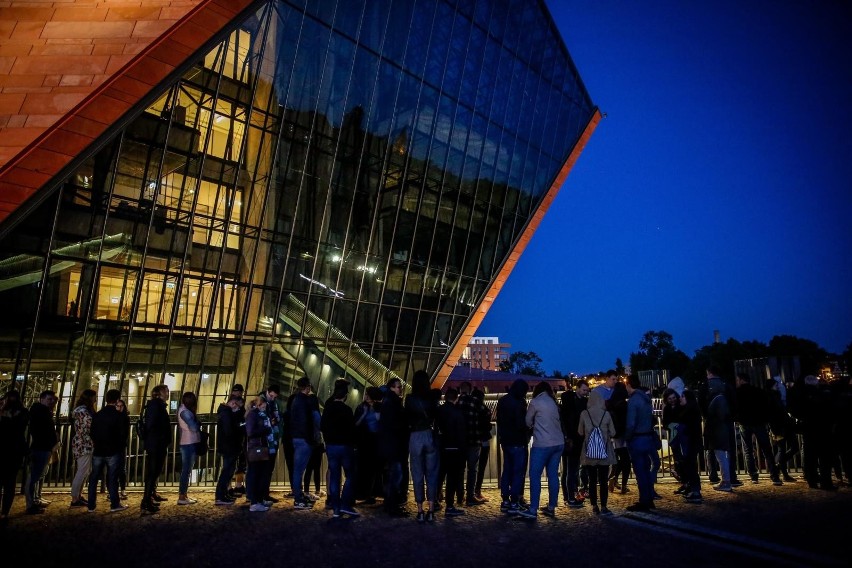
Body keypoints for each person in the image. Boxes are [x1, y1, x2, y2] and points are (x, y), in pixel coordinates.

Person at [518, 382, 563, 520]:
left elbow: (527, 421)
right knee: (553, 475)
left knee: (535, 476)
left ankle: (532, 510)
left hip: (542, 443)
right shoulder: (553, 402)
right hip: (559, 443)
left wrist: (533, 424)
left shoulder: (536, 402)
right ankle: (551, 507)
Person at [734, 372, 782, 485]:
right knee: (766, 449)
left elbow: (734, 408)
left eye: (737, 380)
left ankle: (753, 475)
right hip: (759, 423)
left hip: (744, 423)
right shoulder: (759, 391)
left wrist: (738, 419)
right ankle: (774, 476)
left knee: (748, 450)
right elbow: (766, 407)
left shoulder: (737, 393)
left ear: (741, 380)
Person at [321, 379, 360, 518]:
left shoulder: (328, 408)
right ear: (345, 396)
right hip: (345, 446)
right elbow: (352, 430)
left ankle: (336, 508)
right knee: (350, 475)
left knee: (334, 476)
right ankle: (345, 504)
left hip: (331, 446)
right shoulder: (347, 410)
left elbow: (322, 427)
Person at [405, 370, 439, 522]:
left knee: (417, 473)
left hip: (415, 436)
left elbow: (407, 418)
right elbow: (436, 416)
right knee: (432, 474)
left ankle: (419, 510)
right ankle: (431, 510)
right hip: (429, 434)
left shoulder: (410, 398)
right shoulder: (432, 397)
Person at [87, 388, 129, 512]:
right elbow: (122, 434)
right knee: (112, 478)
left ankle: (91, 505)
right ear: (117, 400)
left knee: (94, 478)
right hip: (113, 450)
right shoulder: (118, 415)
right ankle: (114, 504)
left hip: (98, 450)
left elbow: (92, 432)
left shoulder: (98, 414)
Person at [579, 390, 616, 515]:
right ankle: (604, 506)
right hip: (604, 451)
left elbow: (580, 432)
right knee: (603, 480)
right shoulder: (606, 414)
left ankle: (594, 505)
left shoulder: (584, 414)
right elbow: (613, 432)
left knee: (592, 480)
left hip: (590, 452)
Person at [624, 375, 657, 511]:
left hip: (637, 439)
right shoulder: (646, 398)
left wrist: (627, 437)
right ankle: (649, 498)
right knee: (646, 469)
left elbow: (631, 424)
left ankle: (644, 501)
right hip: (648, 438)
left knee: (640, 472)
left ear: (629, 384)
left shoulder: (633, 401)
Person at [496, 378, 530, 514]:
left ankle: (505, 500)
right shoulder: (519, 403)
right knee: (517, 472)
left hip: (505, 440)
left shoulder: (502, 401)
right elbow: (521, 424)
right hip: (518, 441)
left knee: (507, 470)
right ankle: (515, 500)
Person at [378, 377, 410, 516]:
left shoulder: (388, 402)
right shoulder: (393, 403)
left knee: (393, 475)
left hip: (390, 444)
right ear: (391, 388)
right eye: (398, 387)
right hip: (395, 445)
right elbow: (397, 425)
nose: (400, 389)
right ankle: (392, 505)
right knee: (395, 475)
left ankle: (390, 504)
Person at [289, 377, 321, 509]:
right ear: (307, 387)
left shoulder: (296, 400)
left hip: (296, 437)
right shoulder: (308, 401)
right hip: (305, 438)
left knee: (298, 470)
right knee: (299, 470)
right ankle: (298, 499)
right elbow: (316, 420)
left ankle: (299, 496)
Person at [25, 390, 59, 515]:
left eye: (53, 399)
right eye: (49, 399)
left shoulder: (39, 411)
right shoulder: (42, 412)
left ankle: (35, 499)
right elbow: (46, 430)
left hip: (43, 446)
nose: (51, 402)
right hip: (42, 447)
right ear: (42, 399)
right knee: (35, 476)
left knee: (39, 474)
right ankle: (31, 503)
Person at [457, 381, 489, 505]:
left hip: (460, 441)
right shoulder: (474, 401)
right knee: (472, 469)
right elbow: (487, 412)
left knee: (460, 470)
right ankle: (470, 496)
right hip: (474, 439)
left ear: (460, 390)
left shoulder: (456, 402)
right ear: (470, 390)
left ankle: (460, 496)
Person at [436, 387, 466, 517]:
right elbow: (461, 433)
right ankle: (449, 505)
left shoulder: (439, 411)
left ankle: (435, 500)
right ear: (456, 398)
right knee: (452, 479)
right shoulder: (457, 412)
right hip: (455, 449)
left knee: (439, 476)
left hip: (441, 448)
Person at [141, 384, 171, 514]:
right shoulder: (156, 406)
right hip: (156, 444)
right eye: (166, 391)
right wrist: (161, 437)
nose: (168, 393)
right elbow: (152, 425)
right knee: (153, 472)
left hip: (157, 443)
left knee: (154, 472)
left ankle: (149, 498)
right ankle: (146, 501)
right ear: (158, 393)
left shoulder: (157, 405)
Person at [0, 390, 29, 518]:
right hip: (16, 450)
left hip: (2, 449)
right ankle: (5, 512)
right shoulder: (23, 413)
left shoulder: (2, 413)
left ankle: (4, 512)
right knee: (10, 482)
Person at [560, 380, 589, 508]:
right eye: (584, 390)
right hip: (575, 440)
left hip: (568, 439)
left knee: (568, 470)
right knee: (572, 469)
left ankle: (568, 496)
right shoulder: (578, 403)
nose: (585, 392)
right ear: (577, 388)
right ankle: (571, 496)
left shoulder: (567, 401)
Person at [704, 375, 735, 493]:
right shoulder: (721, 398)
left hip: (717, 431)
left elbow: (719, 415)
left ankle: (726, 481)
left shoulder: (718, 399)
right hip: (720, 430)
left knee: (721, 457)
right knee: (722, 457)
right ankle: (726, 480)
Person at [766, 377, 798, 483]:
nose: (778, 387)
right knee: (785, 449)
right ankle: (782, 471)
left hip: (781, 427)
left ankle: (779, 468)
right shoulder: (773, 397)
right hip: (780, 427)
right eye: (776, 385)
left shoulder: (775, 396)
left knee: (785, 449)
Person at [244, 396, 273, 512]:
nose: (264, 408)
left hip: (260, 446)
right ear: (258, 405)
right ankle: (255, 501)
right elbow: (250, 432)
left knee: (260, 474)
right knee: (256, 474)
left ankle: (259, 500)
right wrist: (265, 430)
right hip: (256, 447)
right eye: (263, 406)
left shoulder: (257, 415)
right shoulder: (253, 415)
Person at [354, 386, 382, 504]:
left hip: (374, 440)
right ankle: (364, 493)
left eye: (367, 394)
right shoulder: (361, 408)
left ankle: (371, 493)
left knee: (372, 469)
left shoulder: (378, 407)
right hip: (365, 441)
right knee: (364, 468)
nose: (365, 396)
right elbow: (356, 423)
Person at [70, 388, 97, 507]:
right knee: (82, 471)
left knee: (84, 470)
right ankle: (75, 498)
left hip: (83, 442)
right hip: (84, 443)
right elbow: (90, 424)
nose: (96, 399)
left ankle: (77, 496)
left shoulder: (80, 410)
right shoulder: (83, 411)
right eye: (94, 397)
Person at [215, 394, 243, 505]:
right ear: (232, 402)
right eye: (236, 404)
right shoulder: (227, 413)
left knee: (228, 471)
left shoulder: (226, 412)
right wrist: (239, 425)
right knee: (227, 471)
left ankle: (223, 494)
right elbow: (230, 430)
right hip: (229, 446)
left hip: (229, 446)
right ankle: (220, 496)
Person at [607, 381, 632, 495]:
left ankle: (614, 477)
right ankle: (623, 485)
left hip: (614, 435)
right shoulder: (624, 404)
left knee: (618, 459)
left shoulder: (610, 403)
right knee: (626, 460)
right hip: (624, 434)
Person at [176, 391, 202, 505]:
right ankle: (182, 495)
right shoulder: (185, 412)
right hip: (188, 442)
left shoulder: (183, 410)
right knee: (186, 470)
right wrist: (198, 424)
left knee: (186, 470)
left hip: (187, 442)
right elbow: (193, 427)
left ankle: (183, 495)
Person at [472, 388, 493, 502]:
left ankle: (467, 492)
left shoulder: (470, 408)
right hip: (483, 440)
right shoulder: (484, 409)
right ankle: (477, 490)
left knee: (471, 467)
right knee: (481, 467)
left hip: (471, 441)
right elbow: (487, 425)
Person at [228, 384, 248, 498]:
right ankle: (231, 486)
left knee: (240, 464)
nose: (238, 393)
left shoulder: (237, 406)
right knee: (232, 465)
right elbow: (239, 422)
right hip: (236, 439)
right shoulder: (231, 407)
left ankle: (238, 485)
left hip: (240, 439)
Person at [114, 398, 130, 500]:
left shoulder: (124, 418)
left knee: (120, 468)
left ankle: (122, 489)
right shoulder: (123, 418)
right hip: (116, 445)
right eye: (118, 406)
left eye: (121, 406)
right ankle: (115, 490)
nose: (119, 408)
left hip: (120, 445)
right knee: (116, 468)